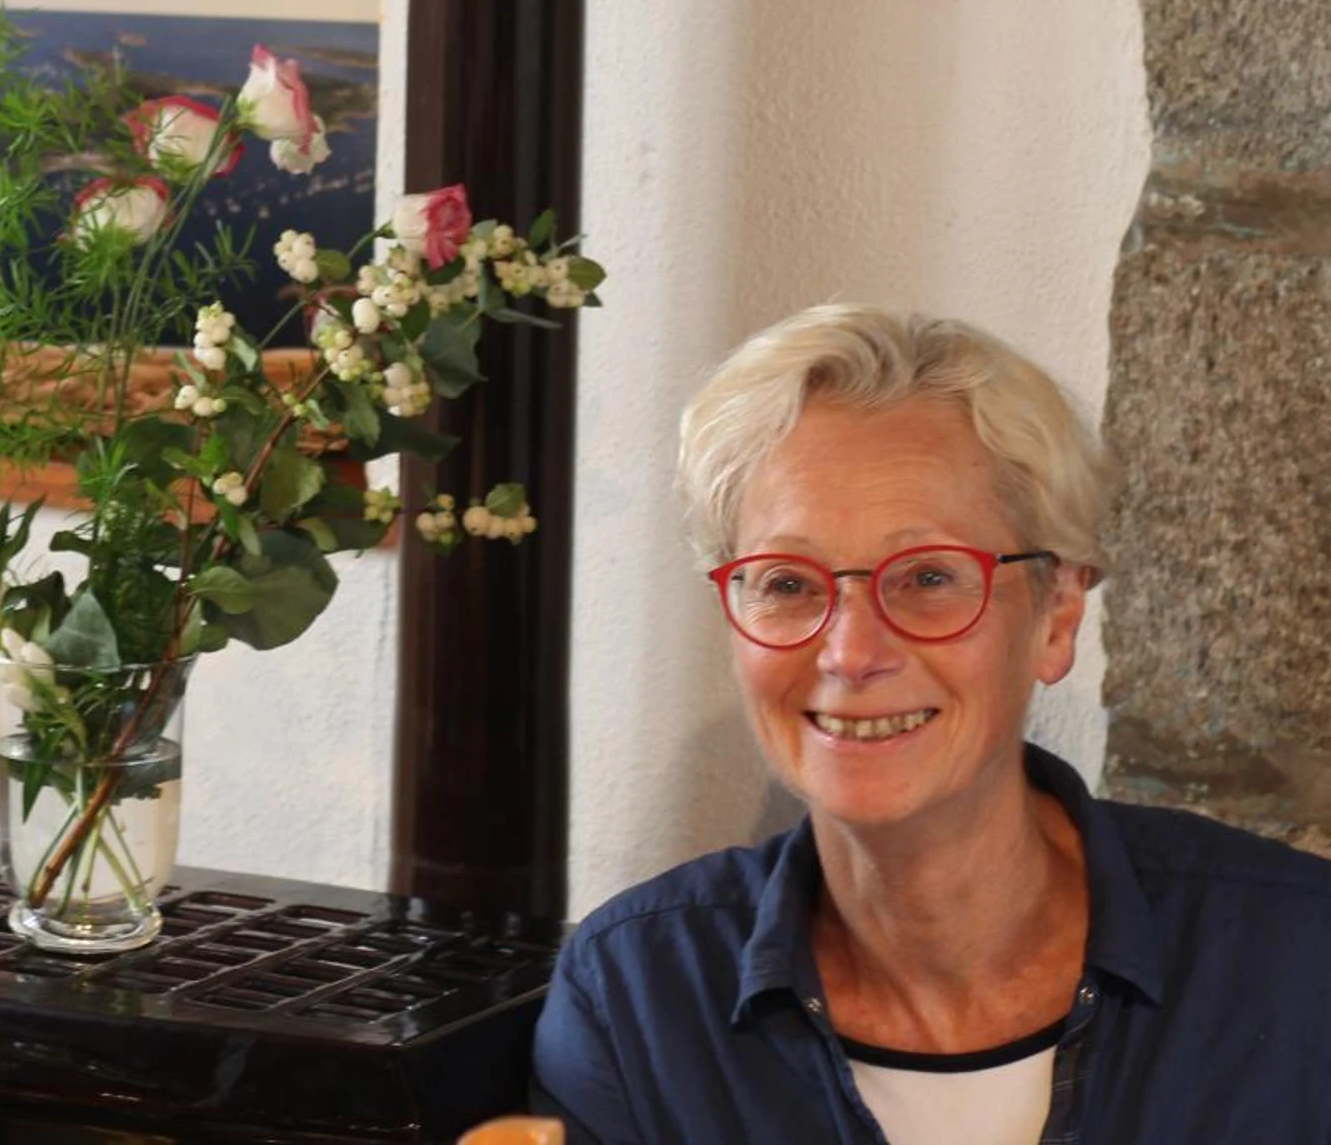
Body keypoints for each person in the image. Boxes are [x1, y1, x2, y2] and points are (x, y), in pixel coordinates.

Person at [532, 305, 1331, 1142]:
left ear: (1057, 615)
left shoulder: (1300, 963)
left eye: (928, 578)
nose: (851, 653)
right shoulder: (637, 1000)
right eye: (788, 583)